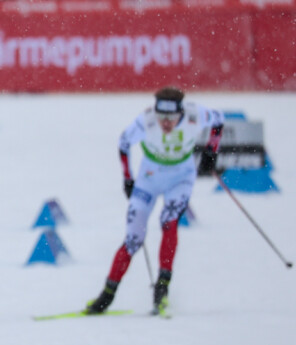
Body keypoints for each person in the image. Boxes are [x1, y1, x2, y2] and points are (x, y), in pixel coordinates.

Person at [85, 87, 225, 315]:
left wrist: (211, 152)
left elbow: (219, 120)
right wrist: (128, 179)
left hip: (180, 179)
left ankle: (162, 289)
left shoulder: (193, 114)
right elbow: (123, 143)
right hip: (148, 180)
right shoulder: (146, 121)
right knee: (133, 239)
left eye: (171, 118)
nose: (166, 123)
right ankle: (107, 295)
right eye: (162, 117)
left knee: (168, 222)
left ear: (181, 113)